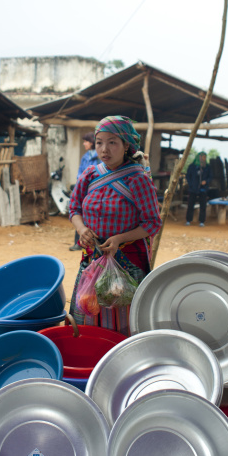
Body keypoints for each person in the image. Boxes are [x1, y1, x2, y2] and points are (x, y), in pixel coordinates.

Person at [68, 115, 162, 335]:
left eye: (112, 142)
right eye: (100, 142)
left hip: (126, 264)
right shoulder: (89, 175)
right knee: (89, 315)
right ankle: (92, 356)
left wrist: (120, 238)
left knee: (123, 321)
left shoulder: (138, 179)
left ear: (126, 145)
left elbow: (152, 223)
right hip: (92, 261)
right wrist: (82, 230)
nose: (104, 149)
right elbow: (74, 210)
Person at [70, 132, 100, 251]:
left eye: (86, 141)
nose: (84, 144)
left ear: (91, 143)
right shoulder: (85, 156)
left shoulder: (99, 157)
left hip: (94, 191)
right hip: (84, 190)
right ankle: (78, 243)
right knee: (79, 215)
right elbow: (80, 173)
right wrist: (79, 185)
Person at [185, 151, 211, 227]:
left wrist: (206, 181)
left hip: (203, 189)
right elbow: (188, 176)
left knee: (203, 205)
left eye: (205, 157)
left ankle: (202, 221)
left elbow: (210, 177)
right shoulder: (192, 166)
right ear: (199, 157)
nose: (204, 159)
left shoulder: (207, 167)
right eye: (203, 157)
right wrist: (191, 184)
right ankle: (188, 220)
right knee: (190, 204)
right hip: (193, 189)